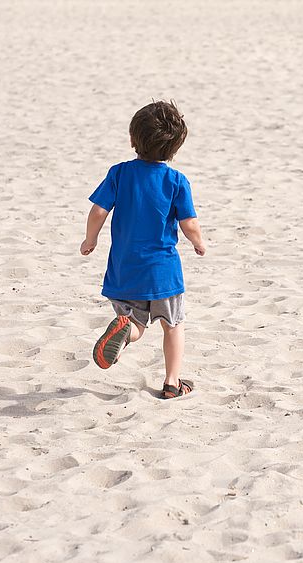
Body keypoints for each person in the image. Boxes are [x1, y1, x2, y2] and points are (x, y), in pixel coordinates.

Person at [80, 100, 206, 399]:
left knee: (135, 323)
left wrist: (90, 240)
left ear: (133, 139)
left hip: (126, 269)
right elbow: (189, 223)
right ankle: (172, 383)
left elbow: (98, 211)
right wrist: (199, 243)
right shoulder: (176, 180)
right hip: (163, 273)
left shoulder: (120, 173)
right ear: (175, 147)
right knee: (173, 325)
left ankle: (125, 336)